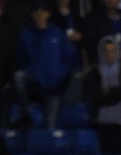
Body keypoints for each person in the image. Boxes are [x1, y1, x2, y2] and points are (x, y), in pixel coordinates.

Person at [13, 0, 78, 129]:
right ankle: (25, 113)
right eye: (36, 12)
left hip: (55, 87)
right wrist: (36, 75)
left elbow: (70, 58)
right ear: (32, 15)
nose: (40, 15)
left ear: (48, 14)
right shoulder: (25, 35)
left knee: (50, 127)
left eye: (43, 12)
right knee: (19, 76)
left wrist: (59, 78)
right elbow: (21, 60)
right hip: (36, 84)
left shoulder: (57, 34)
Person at [83, 36, 121, 155]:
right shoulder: (94, 73)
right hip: (103, 122)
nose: (109, 54)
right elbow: (97, 96)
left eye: (112, 51)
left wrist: (109, 92)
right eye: (105, 51)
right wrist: (117, 93)